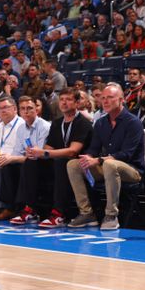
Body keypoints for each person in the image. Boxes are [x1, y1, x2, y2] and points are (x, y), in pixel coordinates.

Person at [66, 84, 145, 231]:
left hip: (132, 170)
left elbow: (127, 154)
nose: (106, 101)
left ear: (121, 100)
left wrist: (98, 160)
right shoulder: (101, 122)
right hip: (107, 167)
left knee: (109, 164)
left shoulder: (133, 122)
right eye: (103, 98)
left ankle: (111, 215)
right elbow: (94, 149)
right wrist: (88, 157)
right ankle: (86, 213)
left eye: (110, 97)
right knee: (73, 164)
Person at [15, 88, 94, 228]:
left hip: (80, 165)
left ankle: (59, 214)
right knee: (30, 162)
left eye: (68, 99)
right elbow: (49, 148)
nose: (64, 103)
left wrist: (45, 153)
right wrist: (36, 153)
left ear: (77, 103)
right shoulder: (57, 123)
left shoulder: (83, 123)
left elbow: (72, 151)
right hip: (59, 163)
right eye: (62, 99)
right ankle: (30, 209)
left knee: (61, 161)